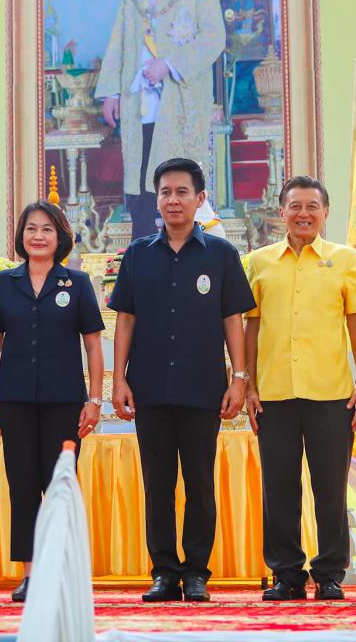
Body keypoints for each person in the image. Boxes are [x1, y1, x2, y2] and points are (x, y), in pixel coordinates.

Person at [108, 158, 255, 602]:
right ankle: (164, 572)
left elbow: (233, 320)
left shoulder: (221, 255)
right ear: (157, 200)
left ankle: (196, 573)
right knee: (157, 484)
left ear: (200, 198)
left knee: (199, 483)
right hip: (149, 387)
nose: (173, 200)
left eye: (182, 192)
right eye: (165, 192)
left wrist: (239, 378)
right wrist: (119, 379)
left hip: (202, 386)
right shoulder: (138, 254)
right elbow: (126, 319)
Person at [242, 176, 356, 601]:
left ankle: (330, 573)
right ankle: (286, 574)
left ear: (325, 212)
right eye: (295, 206)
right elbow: (251, 326)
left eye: (312, 206)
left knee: (330, 488)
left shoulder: (345, 260)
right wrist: (249, 383)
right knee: (279, 489)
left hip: (332, 393)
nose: (303, 214)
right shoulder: (258, 262)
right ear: (282, 212)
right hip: (274, 394)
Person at [0, 200, 105, 602]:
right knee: (22, 486)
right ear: (21, 236)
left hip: (64, 402)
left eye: (47, 229)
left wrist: (95, 399)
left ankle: (62, 571)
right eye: (31, 228)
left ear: (60, 236)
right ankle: (31, 574)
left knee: (60, 486)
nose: (38, 236)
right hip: (15, 401)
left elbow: (93, 344)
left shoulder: (77, 284)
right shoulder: (4, 283)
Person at [95, 0, 227, 240]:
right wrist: (111, 92)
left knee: (177, 178)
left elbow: (214, 38)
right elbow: (117, 43)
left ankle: (187, 250)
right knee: (142, 184)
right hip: (138, 103)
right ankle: (144, 253)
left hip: (178, 104)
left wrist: (169, 64)